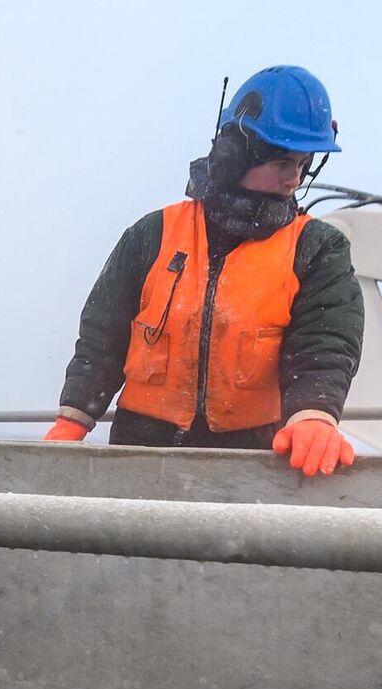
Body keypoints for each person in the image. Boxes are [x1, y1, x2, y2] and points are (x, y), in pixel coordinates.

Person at [43, 66, 365, 478]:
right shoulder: (152, 234)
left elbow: (325, 342)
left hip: (253, 460)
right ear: (236, 154)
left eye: (304, 163)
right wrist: (74, 417)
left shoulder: (318, 247)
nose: (295, 178)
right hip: (141, 451)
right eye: (284, 162)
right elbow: (103, 336)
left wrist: (314, 414)